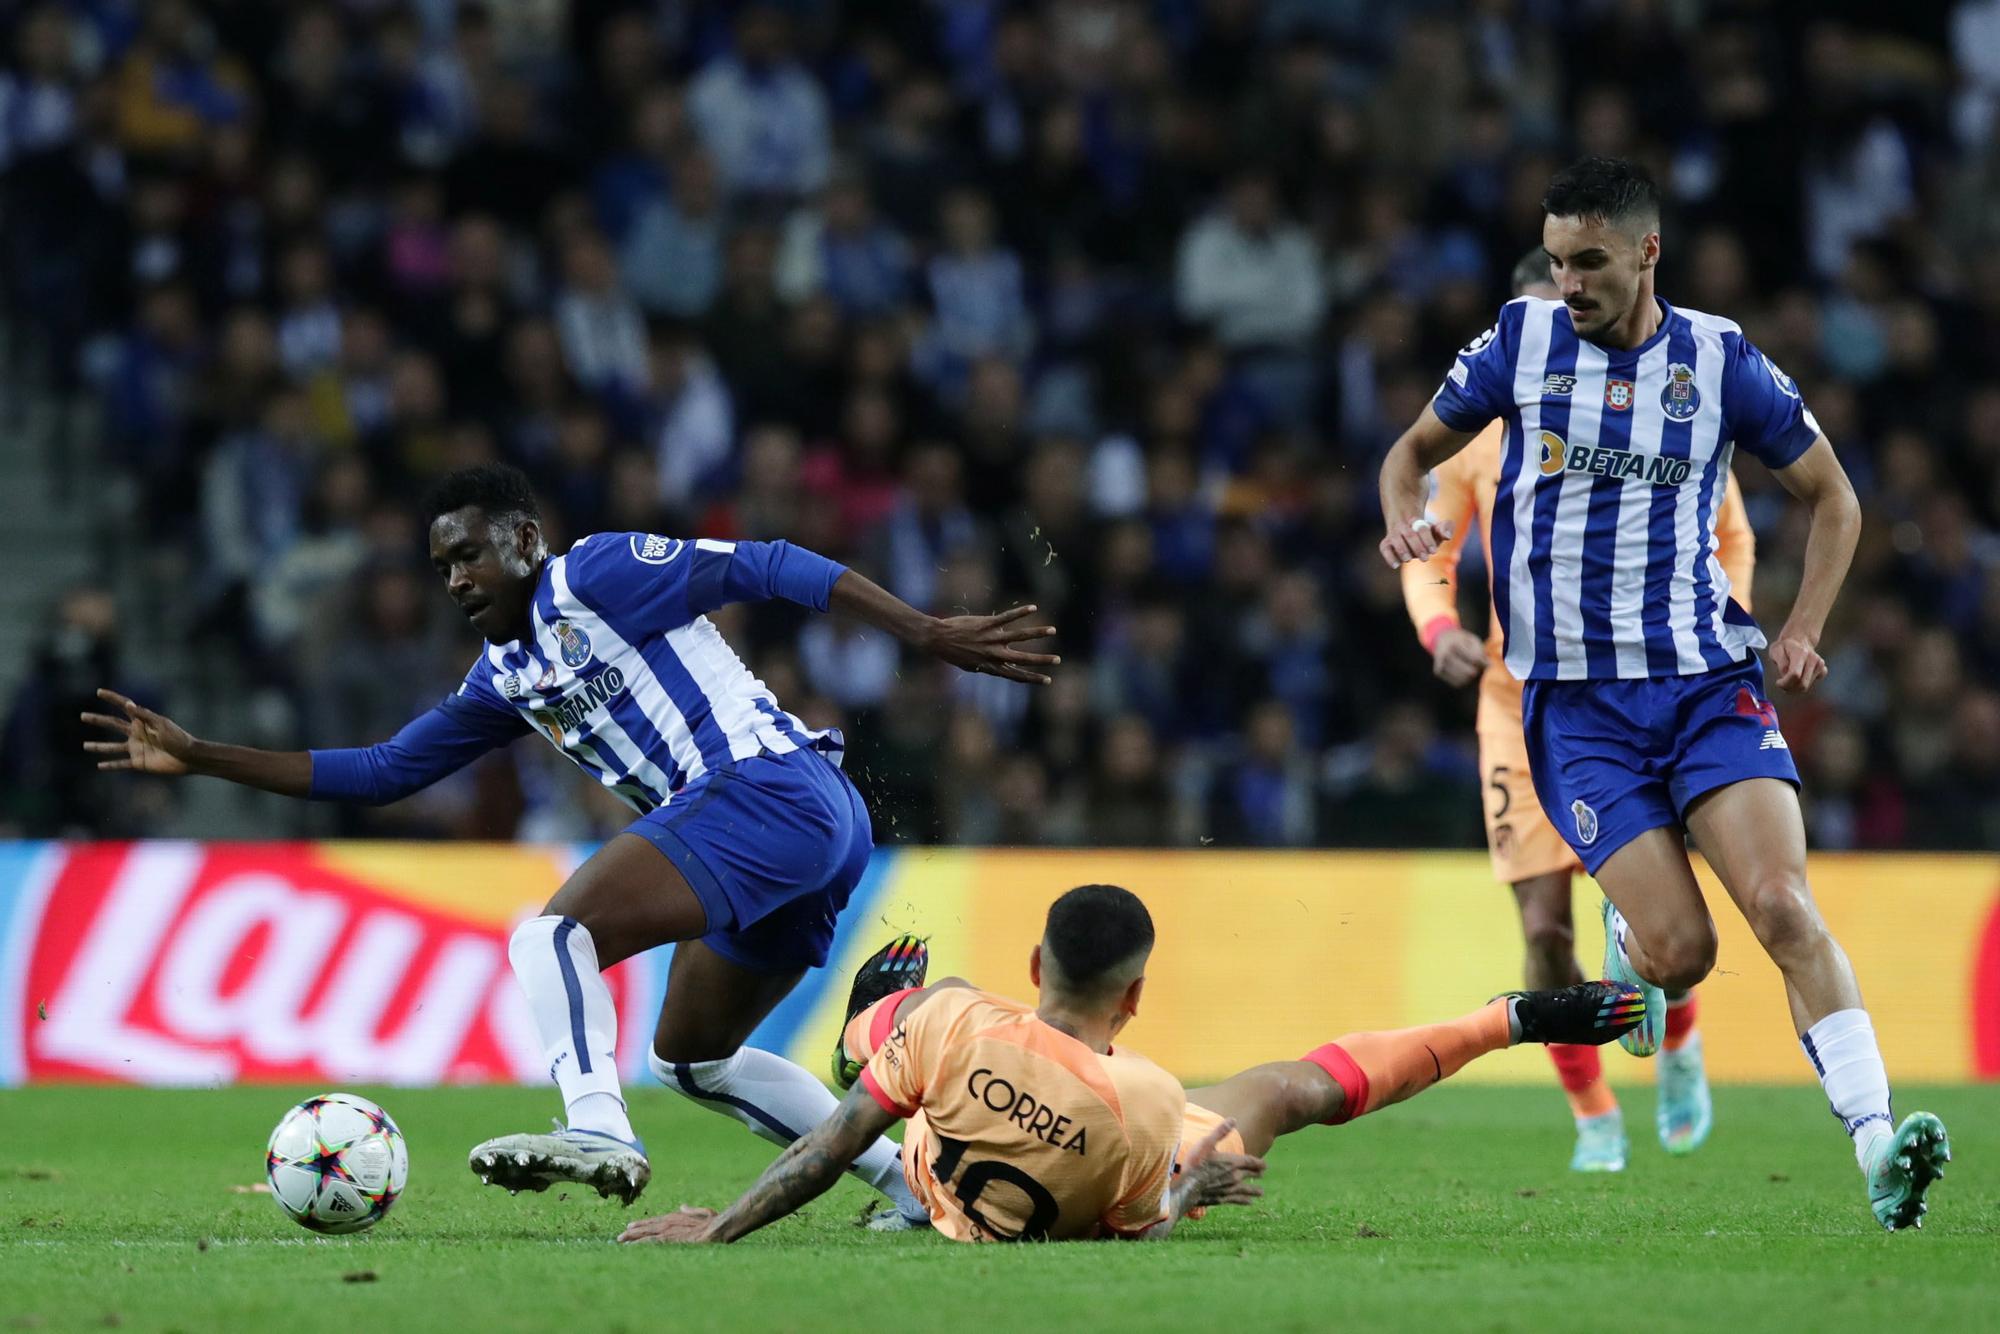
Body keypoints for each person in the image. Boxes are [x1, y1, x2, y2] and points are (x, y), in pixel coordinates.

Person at [82, 462, 1058, 1224]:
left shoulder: (593, 574)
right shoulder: (503, 675)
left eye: (468, 554)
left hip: (771, 790)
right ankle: (917, 1186)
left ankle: (596, 1126)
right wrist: (203, 754)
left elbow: (762, 562)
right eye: (441, 567)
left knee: (550, 937)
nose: (455, 579)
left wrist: (923, 630)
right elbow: (382, 770)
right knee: (691, 1057)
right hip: (792, 827)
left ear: (521, 537)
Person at [1377, 157, 1950, 1230]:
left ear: (1646, 252)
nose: (1568, 283)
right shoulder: (1519, 342)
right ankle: (1631, 949)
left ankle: (1878, 1143)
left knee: (1780, 904)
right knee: (1682, 954)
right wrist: (1405, 523)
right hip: (1573, 710)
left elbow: (1832, 498)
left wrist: (1800, 626)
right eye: (1554, 261)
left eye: (1587, 261)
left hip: (1700, 682)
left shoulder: (1718, 358)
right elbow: (1407, 453)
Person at [616, 884, 1645, 1245]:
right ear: (1136, 995)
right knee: (1287, 1089)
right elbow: (1126, 1227)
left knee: (902, 1023)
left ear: (1035, 965)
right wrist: (1183, 1190)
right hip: (1094, 1148)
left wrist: (719, 1225)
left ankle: (864, 1023)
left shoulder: (960, 1017)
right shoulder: (1149, 1099)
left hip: (928, 1149)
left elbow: (832, 1137)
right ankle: (1501, 1020)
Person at [1399, 247, 1755, 1172]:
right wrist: (1439, 629)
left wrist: (1721, 630)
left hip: (1641, 689)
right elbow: (1431, 545)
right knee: (1546, 932)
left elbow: (1731, 533)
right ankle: (1592, 1110)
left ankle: (1678, 1046)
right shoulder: (1479, 429)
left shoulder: (1663, 406)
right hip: (1518, 703)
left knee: (1660, 911)